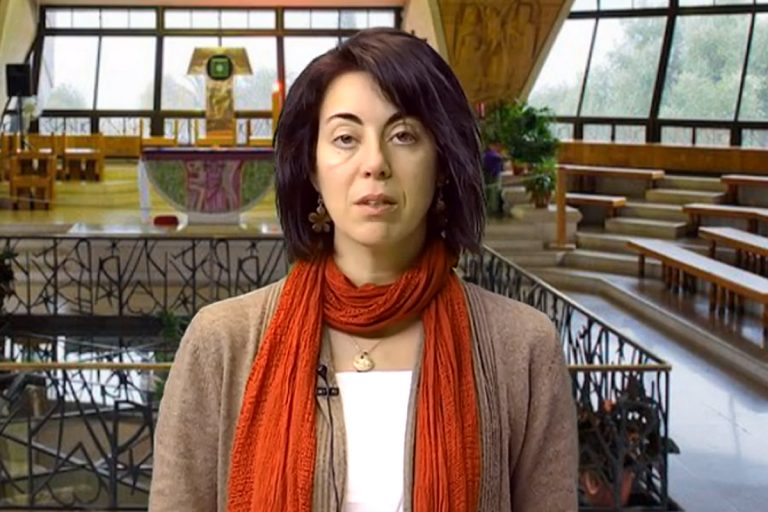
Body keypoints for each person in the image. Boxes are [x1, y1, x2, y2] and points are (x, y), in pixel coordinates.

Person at [149, 27, 577, 512]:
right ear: (312, 167)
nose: (375, 163)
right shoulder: (223, 343)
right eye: (346, 138)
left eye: (403, 135)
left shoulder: (521, 349)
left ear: (441, 162)